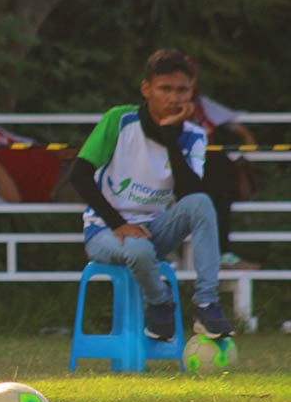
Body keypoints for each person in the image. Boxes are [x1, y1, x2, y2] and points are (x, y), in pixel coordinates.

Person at [69, 48, 235, 343]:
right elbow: (79, 175)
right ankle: (160, 302)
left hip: (153, 229)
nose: (174, 98)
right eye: (165, 89)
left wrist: (171, 138)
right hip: (105, 229)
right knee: (138, 250)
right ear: (147, 89)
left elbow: (189, 192)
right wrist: (118, 224)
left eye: (182, 90)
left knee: (201, 204)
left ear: (192, 94)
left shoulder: (194, 136)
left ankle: (206, 302)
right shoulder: (119, 121)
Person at [187, 61, 261, 270]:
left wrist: (248, 144)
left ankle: (222, 255)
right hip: (178, 172)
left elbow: (239, 129)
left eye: (192, 76)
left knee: (221, 189)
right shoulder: (164, 108)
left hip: (208, 171)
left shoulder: (202, 105)